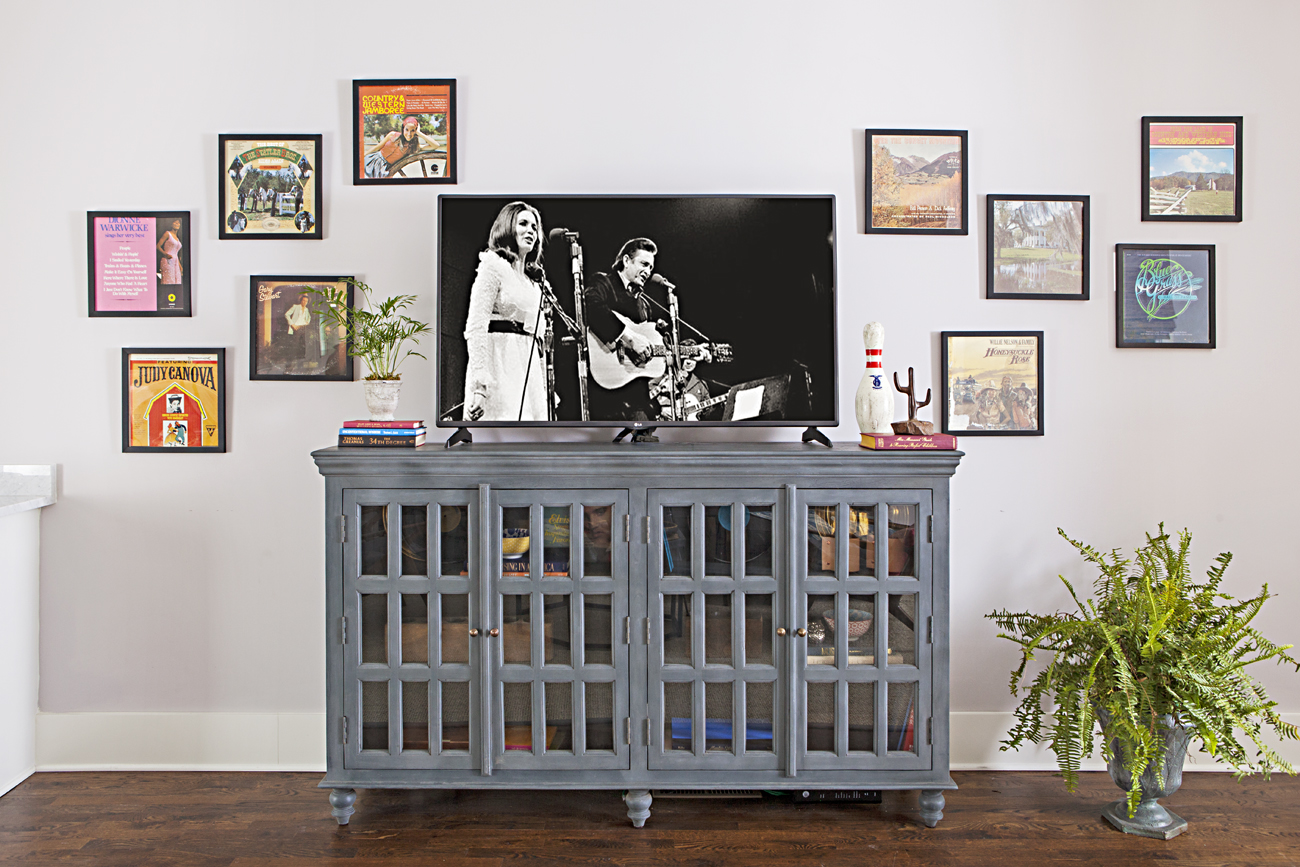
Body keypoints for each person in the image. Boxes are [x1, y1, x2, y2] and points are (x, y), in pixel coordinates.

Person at [462, 201, 550, 422]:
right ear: (508, 226)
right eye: (523, 223)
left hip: (529, 377)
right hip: (500, 367)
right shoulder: (493, 265)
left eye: (534, 227)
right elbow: (476, 325)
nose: (531, 231)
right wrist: (480, 385)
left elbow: (539, 343)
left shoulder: (534, 284)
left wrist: (544, 389)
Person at [583, 237, 661, 421]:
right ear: (626, 261)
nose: (648, 271)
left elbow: (646, 354)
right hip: (605, 394)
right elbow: (591, 306)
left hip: (636, 398)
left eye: (651, 267)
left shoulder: (644, 305)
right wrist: (629, 338)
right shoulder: (604, 282)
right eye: (644, 264)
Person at [365, 115, 441, 178]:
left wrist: (419, 132)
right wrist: (363, 155)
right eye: (407, 130)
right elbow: (377, 147)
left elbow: (436, 145)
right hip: (373, 160)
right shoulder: (392, 135)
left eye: (413, 130)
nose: (409, 134)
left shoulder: (412, 147)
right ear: (403, 129)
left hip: (384, 169)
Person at [285, 293, 313, 364]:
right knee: (295, 345)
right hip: (296, 328)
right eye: (303, 300)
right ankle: (292, 361)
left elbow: (309, 317)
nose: (304, 302)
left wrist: (307, 322)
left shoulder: (306, 309)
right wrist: (292, 324)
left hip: (303, 328)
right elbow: (287, 314)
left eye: (306, 301)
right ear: (301, 300)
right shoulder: (295, 306)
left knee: (303, 345)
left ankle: (302, 361)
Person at [157, 218, 183, 285]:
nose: (177, 224)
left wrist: (180, 265)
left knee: (177, 281)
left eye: (178, 223)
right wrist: (165, 254)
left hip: (175, 262)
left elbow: (176, 253)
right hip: (167, 260)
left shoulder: (177, 238)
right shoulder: (167, 233)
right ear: (171, 224)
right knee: (169, 280)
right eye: (175, 222)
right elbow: (158, 246)